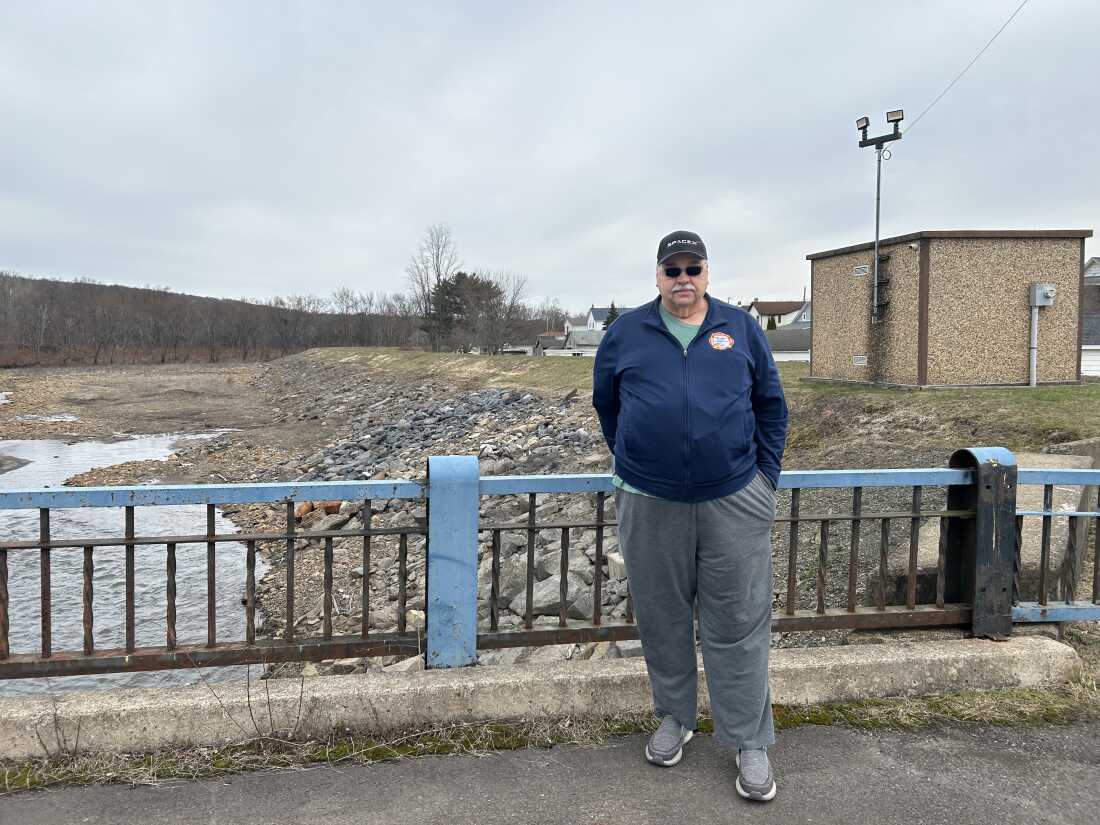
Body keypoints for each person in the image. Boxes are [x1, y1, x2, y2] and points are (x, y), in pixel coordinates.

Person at [592, 229, 789, 802]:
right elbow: (608, 405)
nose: (683, 279)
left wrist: (763, 481)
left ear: (707, 273)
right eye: (672, 270)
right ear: (657, 275)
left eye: (692, 269)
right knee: (662, 616)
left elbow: (771, 408)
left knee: (739, 622)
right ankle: (675, 717)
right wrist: (637, 459)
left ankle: (749, 740)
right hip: (649, 499)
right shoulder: (626, 333)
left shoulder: (741, 327)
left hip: (733, 497)